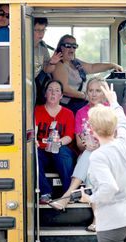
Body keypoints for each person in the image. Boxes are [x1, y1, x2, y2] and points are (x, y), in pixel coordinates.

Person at [78, 82, 126, 242]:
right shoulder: (124, 143)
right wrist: (113, 101)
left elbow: (109, 188)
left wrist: (89, 198)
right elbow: (121, 121)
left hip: (113, 221)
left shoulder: (98, 156)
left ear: (94, 129)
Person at [49, 77, 107, 232]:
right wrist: (88, 145)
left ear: (104, 93)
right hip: (89, 156)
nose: (94, 94)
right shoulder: (81, 113)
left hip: (108, 154)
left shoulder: (111, 111)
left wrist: (99, 145)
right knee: (91, 161)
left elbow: (116, 140)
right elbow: (80, 144)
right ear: (86, 93)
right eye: (90, 91)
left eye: (97, 91)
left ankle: (67, 196)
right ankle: (97, 219)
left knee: (91, 156)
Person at [52, 34, 123, 114]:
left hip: (80, 101)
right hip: (70, 104)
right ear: (61, 47)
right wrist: (86, 96)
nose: (72, 49)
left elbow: (92, 67)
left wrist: (112, 65)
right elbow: (64, 90)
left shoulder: (74, 62)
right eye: (68, 45)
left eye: (74, 46)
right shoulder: (59, 65)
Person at [35, 80, 76, 204]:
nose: (53, 93)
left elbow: (69, 136)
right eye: (50, 90)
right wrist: (35, 142)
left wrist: (57, 144)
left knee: (61, 152)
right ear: (45, 94)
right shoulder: (37, 110)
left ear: (61, 96)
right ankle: (45, 193)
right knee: (33, 153)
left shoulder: (68, 113)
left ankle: (68, 193)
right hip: (43, 151)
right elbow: (34, 129)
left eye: (57, 90)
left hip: (60, 150)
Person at [34, 17, 62, 104]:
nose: (41, 33)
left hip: (33, 85)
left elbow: (46, 69)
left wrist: (53, 62)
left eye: (43, 30)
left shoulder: (42, 46)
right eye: (37, 30)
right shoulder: (21, 44)